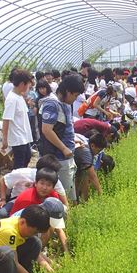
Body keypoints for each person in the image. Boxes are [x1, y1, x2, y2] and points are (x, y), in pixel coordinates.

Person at [39, 74, 85, 203]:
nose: (75, 99)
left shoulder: (65, 103)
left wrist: (73, 140)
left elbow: (65, 127)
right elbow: (46, 130)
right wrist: (64, 148)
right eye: (75, 95)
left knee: (69, 190)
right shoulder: (52, 104)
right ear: (67, 92)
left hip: (66, 155)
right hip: (57, 157)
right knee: (61, 195)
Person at [0, 154, 67, 218]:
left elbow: (64, 202)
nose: (44, 187)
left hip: (41, 203)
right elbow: (3, 181)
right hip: (18, 200)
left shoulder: (53, 179)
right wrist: (3, 199)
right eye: (42, 183)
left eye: (48, 184)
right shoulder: (23, 173)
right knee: (2, 213)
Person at [2, 69, 34, 169]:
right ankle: (16, 182)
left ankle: (19, 181)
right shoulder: (11, 99)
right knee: (19, 163)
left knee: (27, 157)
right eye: (28, 84)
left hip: (24, 136)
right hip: (17, 138)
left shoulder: (19, 96)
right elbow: (6, 119)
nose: (29, 87)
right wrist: (5, 139)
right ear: (21, 84)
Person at [74, 133, 108, 202]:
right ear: (92, 146)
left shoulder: (86, 147)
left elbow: (85, 177)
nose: (97, 153)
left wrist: (86, 199)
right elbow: (93, 177)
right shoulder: (86, 152)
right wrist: (102, 196)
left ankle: (78, 200)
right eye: (98, 150)